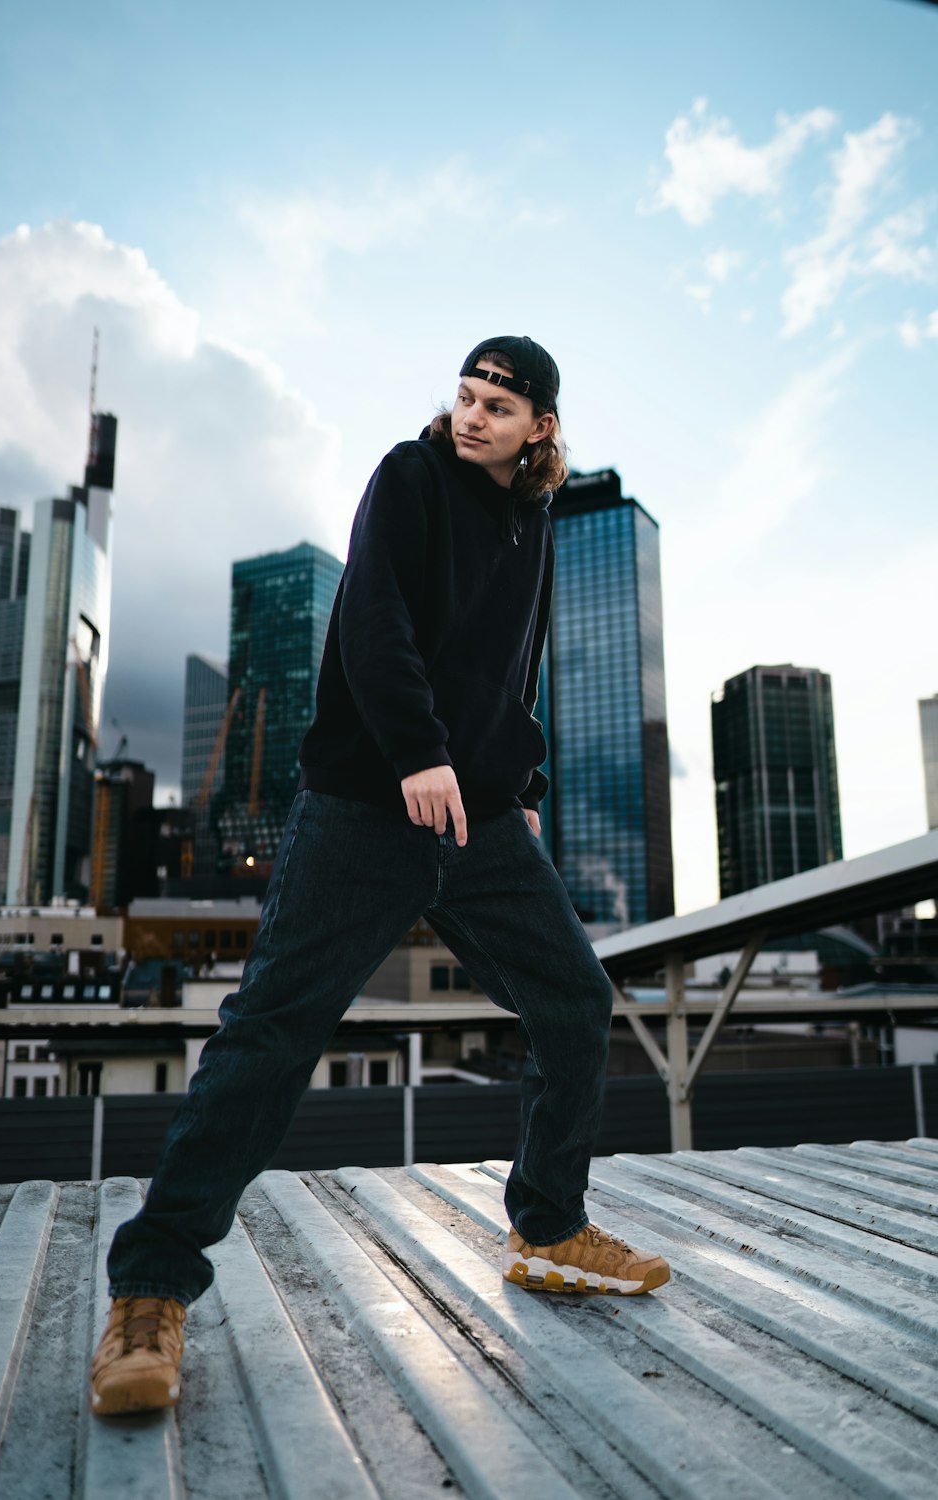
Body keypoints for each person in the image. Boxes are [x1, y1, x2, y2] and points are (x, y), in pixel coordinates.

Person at [90, 336, 670, 1417]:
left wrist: (524, 780)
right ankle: (151, 1289)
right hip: (369, 802)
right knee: (271, 1033)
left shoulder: (533, 519)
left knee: (574, 1004)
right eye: (465, 394)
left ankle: (546, 1229)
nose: (472, 414)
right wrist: (416, 751)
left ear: (540, 426)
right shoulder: (409, 478)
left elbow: (517, 663)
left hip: (481, 818)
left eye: (498, 403)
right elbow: (375, 620)